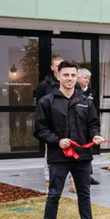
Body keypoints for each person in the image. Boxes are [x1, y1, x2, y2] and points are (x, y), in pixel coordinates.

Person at [34, 59, 105, 219]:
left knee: (84, 194)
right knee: (54, 195)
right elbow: (40, 130)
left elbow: (93, 124)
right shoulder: (47, 101)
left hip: (82, 157)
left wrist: (95, 135)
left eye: (73, 75)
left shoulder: (85, 101)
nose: (70, 78)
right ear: (58, 75)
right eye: (66, 75)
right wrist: (57, 141)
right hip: (58, 157)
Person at [36, 57, 63, 189]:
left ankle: (73, 182)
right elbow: (40, 107)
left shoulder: (72, 83)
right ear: (52, 68)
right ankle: (49, 182)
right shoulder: (44, 85)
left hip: (70, 126)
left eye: (61, 65)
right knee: (49, 155)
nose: (59, 67)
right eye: (56, 65)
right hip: (52, 127)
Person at [75, 68, 100, 187]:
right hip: (76, 127)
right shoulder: (74, 90)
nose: (87, 80)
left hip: (88, 127)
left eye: (88, 78)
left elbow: (94, 109)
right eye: (85, 78)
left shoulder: (91, 92)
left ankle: (88, 175)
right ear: (78, 78)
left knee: (88, 151)